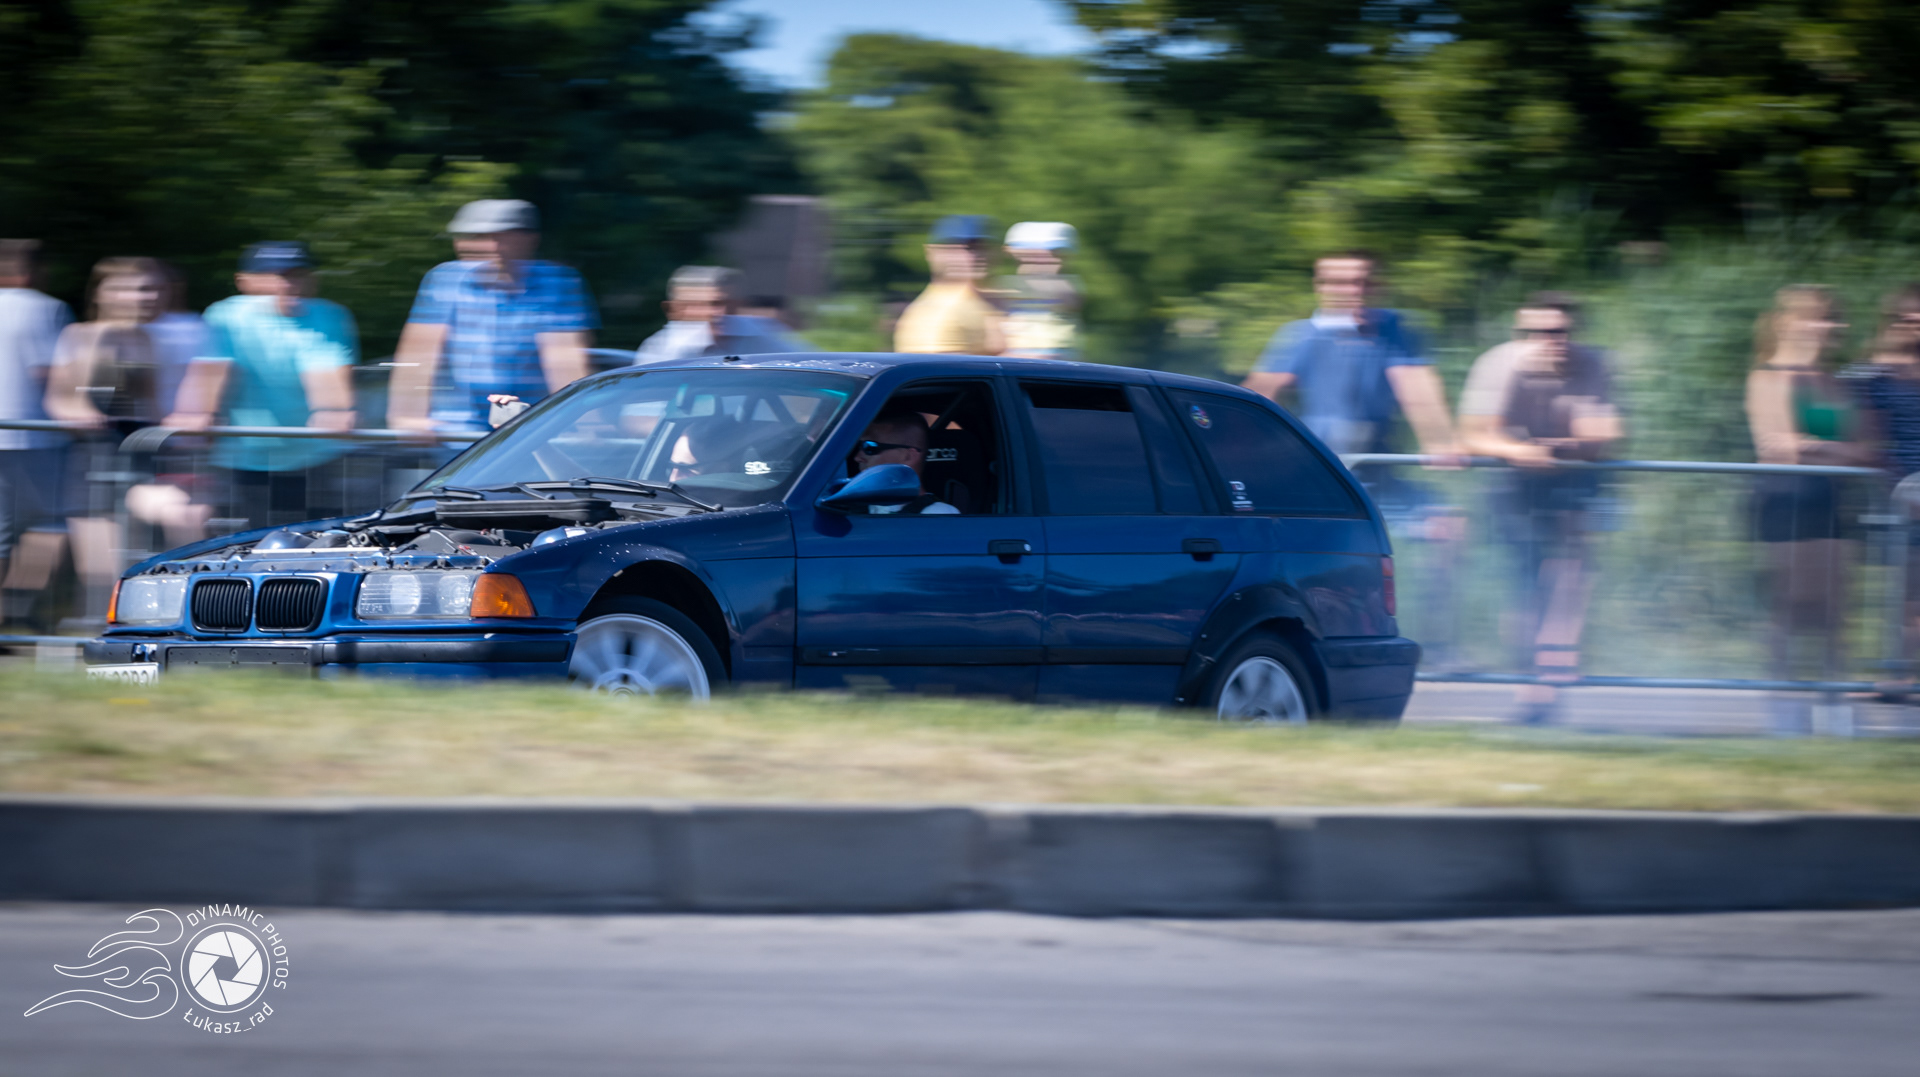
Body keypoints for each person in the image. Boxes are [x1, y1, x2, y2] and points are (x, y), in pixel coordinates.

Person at [1243, 252, 1465, 665]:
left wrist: (1440, 439)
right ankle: (1325, 647)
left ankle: (1434, 641)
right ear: (1322, 287)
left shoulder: (1394, 330)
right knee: (1328, 565)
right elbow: (1259, 393)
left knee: (1446, 528)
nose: (1354, 291)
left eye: (1363, 281)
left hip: (1381, 477)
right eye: (1341, 282)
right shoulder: (1303, 335)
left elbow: (1415, 384)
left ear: (1377, 285)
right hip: (1324, 484)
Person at [1460, 293, 1625, 724]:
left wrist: (1548, 447)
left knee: (1574, 569)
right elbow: (1474, 435)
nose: (1548, 340)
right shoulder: (1499, 364)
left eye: (1558, 331)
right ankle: (1528, 686)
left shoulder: (1593, 363)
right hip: (1513, 480)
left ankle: (1556, 667)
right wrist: (1520, 450)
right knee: (1523, 584)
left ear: (1573, 332)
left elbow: (1602, 435)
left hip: (1573, 479)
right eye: (1535, 332)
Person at [1745, 286, 1876, 732]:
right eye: (1815, 317)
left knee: (1834, 611)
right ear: (1786, 322)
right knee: (1790, 606)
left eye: (1830, 318)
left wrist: (1812, 446)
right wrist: (1834, 450)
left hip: (1830, 503)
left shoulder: (1834, 382)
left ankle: (1834, 704)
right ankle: (1781, 703)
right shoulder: (1767, 376)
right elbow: (1776, 448)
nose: (1825, 327)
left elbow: (1867, 451)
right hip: (1784, 503)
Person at [165, 242, 358, 531]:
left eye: (297, 274)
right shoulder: (226, 315)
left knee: (311, 540)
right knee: (245, 542)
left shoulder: (329, 315)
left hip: (312, 455)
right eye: (276, 275)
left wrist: (333, 409)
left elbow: (325, 367)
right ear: (244, 281)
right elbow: (212, 368)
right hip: (242, 456)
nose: (288, 284)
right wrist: (198, 412)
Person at [387, 199, 596, 435]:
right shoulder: (445, 279)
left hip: (534, 423)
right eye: (475, 236)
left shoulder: (556, 282)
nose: (489, 246)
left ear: (530, 239)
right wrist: (408, 417)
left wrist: (584, 425)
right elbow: (420, 352)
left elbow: (564, 361)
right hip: (455, 427)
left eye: (500, 237)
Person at [42, 257, 168, 623]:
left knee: (137, 552)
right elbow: (59, 398)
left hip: (137, 452)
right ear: (102, 293)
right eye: (133, 289)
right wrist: (78, 412)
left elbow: (151, 402)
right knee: (101, 562)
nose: (145, 297)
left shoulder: (144, 337)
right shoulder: (81, 334)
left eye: (150, 289)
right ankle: (96, 629)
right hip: (92, 454)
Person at [1851, 285, 1920, 693]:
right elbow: (1869, 441)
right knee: (1908, 597)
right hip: (1902, 496)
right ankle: (1901, 675)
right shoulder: (1874, 376)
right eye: (1909, 316)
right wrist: (1900, 488)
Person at [0, 240, 73, 625]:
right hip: (32, 436)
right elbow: (48, 372)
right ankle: (15, 618)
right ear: (33, 271)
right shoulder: (45, 308)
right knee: (50, 526)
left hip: (15, 432)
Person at [634, 266, 810, 365]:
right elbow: (643, 413)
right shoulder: (664, 348)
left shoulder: (761, 332)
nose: (721, 312)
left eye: (729, 303)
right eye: (710, 304)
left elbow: (812, 365)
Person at [894, 215, 1003, 356]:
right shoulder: (933, 314)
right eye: (961, 249)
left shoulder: (991, 299)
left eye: (981, 248)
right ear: (933, 253)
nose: (974, 257)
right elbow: (941, 368)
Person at [996, 222, 1081, 360]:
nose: (1042, 258)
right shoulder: (1007, 287)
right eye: (1032, 254)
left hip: (1055, 359)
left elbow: (1071, 301)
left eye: (1052, 254)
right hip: (1018, 359)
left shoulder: (1065, 287)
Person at [849, 409, 959, 514]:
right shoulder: (851, 508)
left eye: (870, 447)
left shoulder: (937, 514)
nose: (857, 457)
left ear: (908, 456)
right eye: (859, 446)